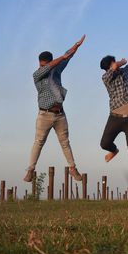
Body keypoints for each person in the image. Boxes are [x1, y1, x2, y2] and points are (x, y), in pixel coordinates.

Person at [23, 35, 86, 182]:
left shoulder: (56, 71)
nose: (43, 68)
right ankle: (30, 170)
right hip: (44, 114)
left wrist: (76, 46)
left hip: (60, 114)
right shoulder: (37, 74)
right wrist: (61, 57)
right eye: (41, 65)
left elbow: (67, 57)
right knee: (38, 142)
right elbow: (54, 63)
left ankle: (72, 168)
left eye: (45, 65)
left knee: (65, 143)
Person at [100, 50, 128, 171]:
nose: (117, 64)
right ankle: (114, 151)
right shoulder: (106, 77)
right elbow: (115, 66)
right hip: (115, 117)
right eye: (114, 63)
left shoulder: (124, 72)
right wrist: (122, 61)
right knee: (104, 143)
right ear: (110, 66)